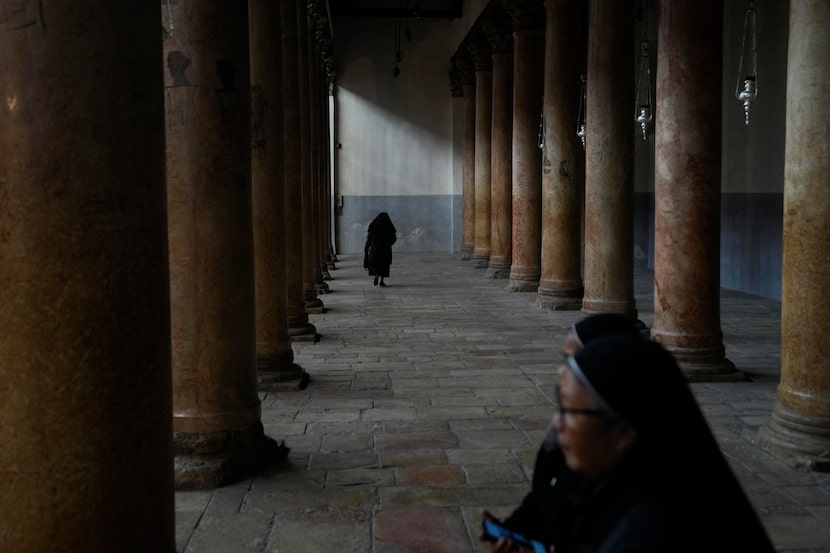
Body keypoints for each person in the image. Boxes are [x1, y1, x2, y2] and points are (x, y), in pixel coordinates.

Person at [549, 335, 775, 553]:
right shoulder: (615, 485)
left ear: (623, 431)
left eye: (569, 411)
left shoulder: (646, 537)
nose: (556, 422)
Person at [481, 313, 642, 552]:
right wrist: (514, 529)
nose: (564, 372)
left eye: (574, 361)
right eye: (564, 360)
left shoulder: (642, 515)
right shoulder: (573, 438)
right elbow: (546, 497)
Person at [364, 212, 397, 286]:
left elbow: (369, 239)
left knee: (376, 265)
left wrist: (367, 248)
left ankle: (376, 275)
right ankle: (382, 281)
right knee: (384, 266)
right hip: (385, 250)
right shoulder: (389, 227)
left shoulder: (373, 226)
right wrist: (388, 244)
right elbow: (394, 239)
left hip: (375, 250)